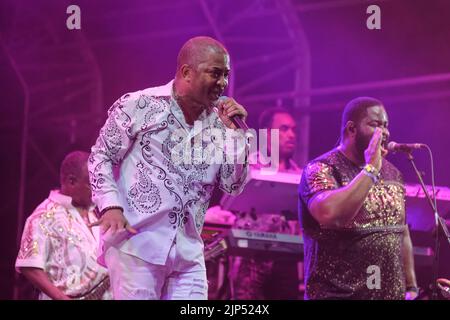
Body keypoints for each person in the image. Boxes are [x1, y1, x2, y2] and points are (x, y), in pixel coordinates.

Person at [88, 36, 250, 300]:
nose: (223, 83)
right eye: (215, 73)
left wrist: (235, 137)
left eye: (226, 75)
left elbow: (233, 185)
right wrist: (110, 205)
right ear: (187, 72)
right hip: (137, 245)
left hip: (189, 253)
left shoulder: (221, 124)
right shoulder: (140, 105)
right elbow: (101, 156)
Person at [298, 97, 418, 300]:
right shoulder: (322, 169)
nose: (385, 132)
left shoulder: (394, 174)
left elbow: (402, 232)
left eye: (386, 126)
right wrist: (370, 170)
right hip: (337, 295)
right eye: (375, 125)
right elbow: (330, 214)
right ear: (351, 129)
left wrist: (411, 286)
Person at [15, 151, 111, 300]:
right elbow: (29, 266)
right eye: (92, 184)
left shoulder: (98, 214)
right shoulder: (43, 216)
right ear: (71, 181)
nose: (98, 190)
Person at [229, 108, 303, 299]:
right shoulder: (248, 165)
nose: (291, 135)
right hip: (249, 256)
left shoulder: (301, 175)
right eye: (284, 129)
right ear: (267, 134)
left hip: (286, 258)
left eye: (294, 130)